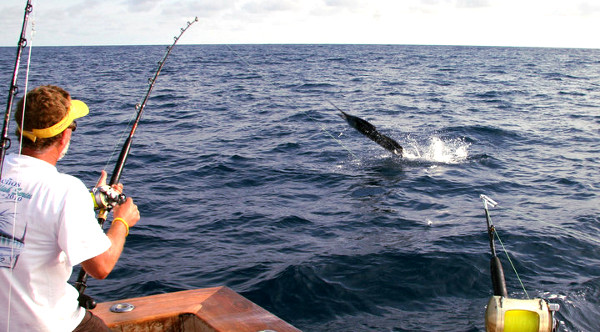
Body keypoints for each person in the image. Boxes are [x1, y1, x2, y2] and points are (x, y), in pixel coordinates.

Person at [0, 85, 140, 331]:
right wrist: (122, 222)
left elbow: (26, 202)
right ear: (64, 136)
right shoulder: (65, 190)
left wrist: (93, 200)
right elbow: (101, 267)